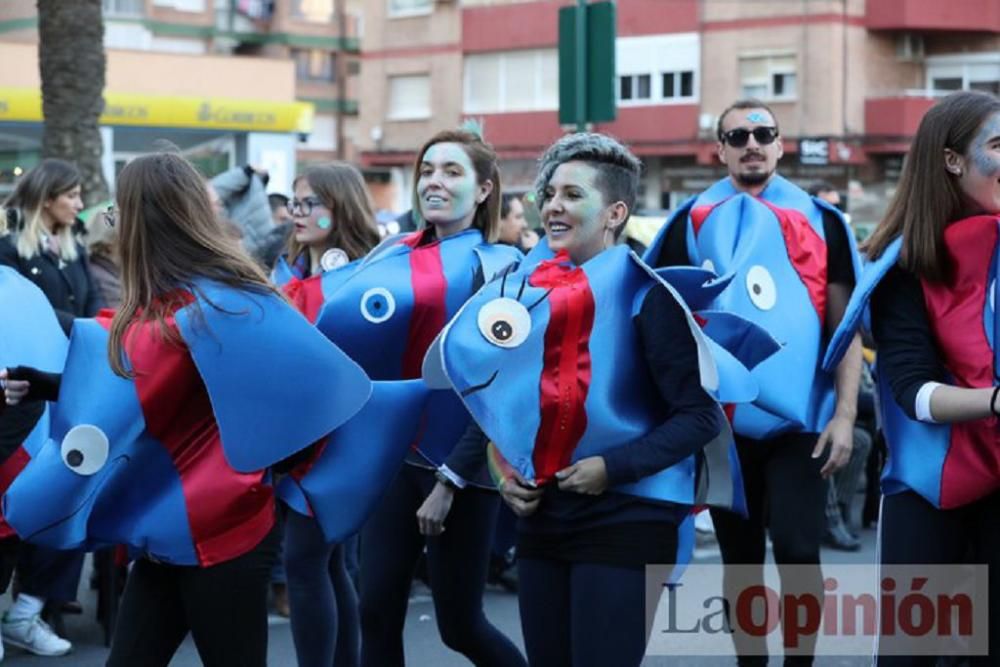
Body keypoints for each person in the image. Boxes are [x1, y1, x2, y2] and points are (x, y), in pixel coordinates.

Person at [1, 151, 371, 667]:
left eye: (119, 211)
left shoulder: (227, 300)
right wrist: (48, 384)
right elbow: (137, 391)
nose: (113, 223)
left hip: (226, 532)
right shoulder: (172, 301)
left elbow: (325, 387)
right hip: (169, 528)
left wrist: (267, 467)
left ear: (147, 217)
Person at [423, 132, 761, 666]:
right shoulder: (525, 294)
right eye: (550, 193)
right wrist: (507, 477)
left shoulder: (649, 297)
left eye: (573, 195)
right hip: (544, 519)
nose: (554, 205)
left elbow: (700, 417)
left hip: (629, 518)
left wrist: (611, 467)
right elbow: (500, 409)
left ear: (614, 213)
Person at [645, 99, 862, 664]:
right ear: (719, 149)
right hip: (723, 429)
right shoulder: (692, 219)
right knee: (741, 560)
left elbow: (844, 329)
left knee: (796, 548)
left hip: (802, 424)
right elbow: (660, 320)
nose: (751, 142)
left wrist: (843, 416)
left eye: (763, 132)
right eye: (737, 134)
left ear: (780, 142)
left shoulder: (821, 220)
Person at [313, 129, 524, 667]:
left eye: (452, 171)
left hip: (463, 472)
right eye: (427, 170)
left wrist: (451, 480)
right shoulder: (391, 251)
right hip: (394, 461)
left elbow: (502, 388)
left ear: (483, 190)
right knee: (376, 611)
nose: (434, 181)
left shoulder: (501, 266)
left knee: (460, 626)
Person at [826, 90, 1000, 664]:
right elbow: (913, 391)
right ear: (954, 160)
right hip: (928, 487)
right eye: (998, 146)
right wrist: (994, 401)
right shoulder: (903, 265)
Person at [273, 162, 380, 667]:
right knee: (328, 563)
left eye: (311, 202)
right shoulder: (291, 274)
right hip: (298, 441)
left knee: (307, 562)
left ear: (341, 208)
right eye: (295, 202)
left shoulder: (357, 282)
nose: (298, 212)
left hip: (336, 444)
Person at [0, 158, 101, 657]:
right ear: (47, 198)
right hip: (17, 395)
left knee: (71, 495)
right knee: (16, 500)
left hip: (67, 388)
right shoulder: (7, 252)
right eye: (73, 195)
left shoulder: (72, 249)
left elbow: (91, 308)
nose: (81, 205)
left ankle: (28, 610)